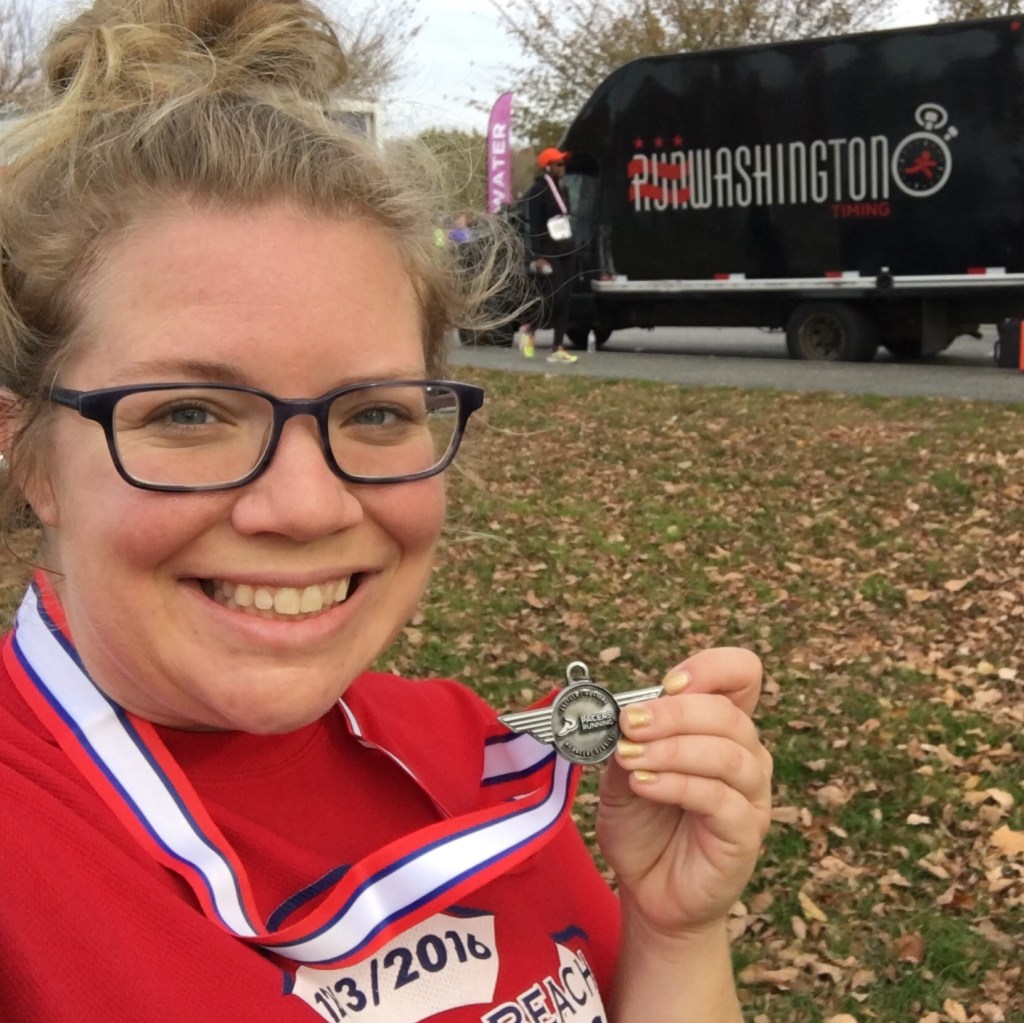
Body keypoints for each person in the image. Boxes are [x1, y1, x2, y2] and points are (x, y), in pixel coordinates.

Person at [0, 1, 773, 1020]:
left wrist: (675, 933)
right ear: (30, 456)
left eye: (372, 412)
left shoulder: (463, 749)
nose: (307, 504)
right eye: (189, 412)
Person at [518, 148, 580, 364]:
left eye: (564, 164)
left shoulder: (564, 189)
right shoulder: (538, 190)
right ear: (547, 166)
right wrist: (538, 256)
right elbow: (534, 225)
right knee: (556, 295)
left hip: (566, 248)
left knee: (566, 300)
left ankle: (558, 347)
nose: (563, 167)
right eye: (558, 164)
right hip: (548, 251)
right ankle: (529, 327)